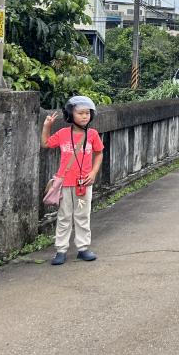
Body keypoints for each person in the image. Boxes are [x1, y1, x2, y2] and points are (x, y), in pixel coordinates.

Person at [41, 95, 104, 265]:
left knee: (82, 215)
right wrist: (47, 126)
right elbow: (46, 143)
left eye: (87, 113)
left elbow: (99, 153)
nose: (85, 116)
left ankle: (83, 248)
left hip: (83, 184)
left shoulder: (92, 134)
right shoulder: (62, 134)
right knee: (64, 216)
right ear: (70, 115)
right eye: (80, 113)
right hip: (65, 183)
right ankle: (61, 250)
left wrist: (93, 172)